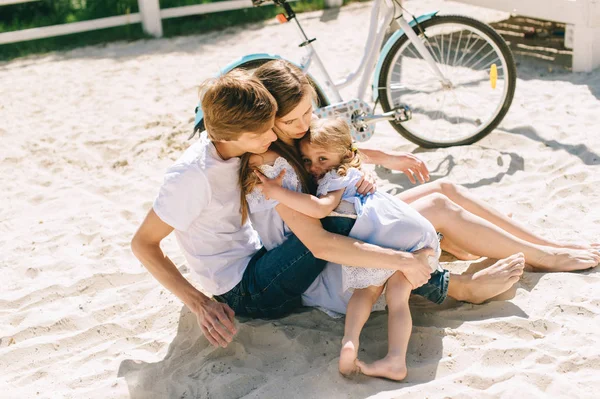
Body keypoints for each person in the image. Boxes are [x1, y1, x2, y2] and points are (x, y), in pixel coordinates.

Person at [131, 68, 452, 352]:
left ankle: (431, 258)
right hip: (246, 291)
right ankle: (434, 274)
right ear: (230, 135)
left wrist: (360, 166)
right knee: (335, 219)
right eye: (262, 133)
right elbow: (143, 244)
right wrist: (198, 303)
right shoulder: (191, 176)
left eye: (272, 125)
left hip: (263, 255)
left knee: (349, 211)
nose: (272, 136)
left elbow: (310, 145)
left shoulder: (244, 145)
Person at [252, 59, 600, 273]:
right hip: (341, 231)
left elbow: (332, 146)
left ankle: (548, 243)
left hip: (354, 211)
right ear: (270, 116)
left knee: (445, 187)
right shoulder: (268, 152)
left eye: (309, 113)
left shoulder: (295, 133)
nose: (304, 124)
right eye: (294, 119)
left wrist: (380, 160)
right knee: (439, 205)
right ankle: (543, 256)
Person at [254, 117, 448, 380]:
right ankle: (395, 359)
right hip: (396, 231)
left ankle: (351, 340)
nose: (313, 167)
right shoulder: (343, 168)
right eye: (307, 160)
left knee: (367, 291)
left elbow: (320, 207)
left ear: (345, 154)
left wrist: (276, 192)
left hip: (389, 231)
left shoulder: (338, 174)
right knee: (396, 298)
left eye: (322, 159)